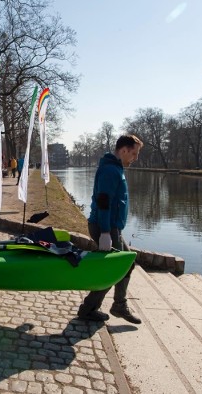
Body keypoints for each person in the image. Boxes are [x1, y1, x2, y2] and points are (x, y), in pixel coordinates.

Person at [77, 134, 144, 324]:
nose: (135, 158)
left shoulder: (114, 168)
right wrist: (106, 232)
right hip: (105, 227)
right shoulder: (110, 171)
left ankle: (95, 307)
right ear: (123, 150)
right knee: (118, 267)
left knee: (123, 264)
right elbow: (104, 201)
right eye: (134, 153)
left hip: (111, 227)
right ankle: (108, 306)